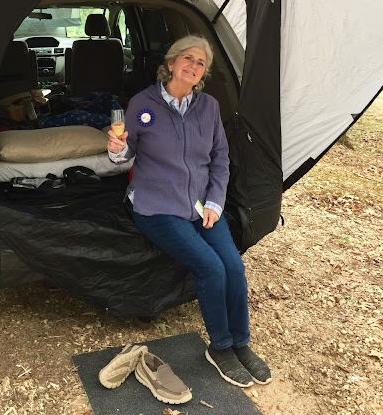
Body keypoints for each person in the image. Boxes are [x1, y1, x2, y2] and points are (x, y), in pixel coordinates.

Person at [107, 35, 271, 388]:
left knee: (233, 266)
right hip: (156, 205)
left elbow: (220, 160)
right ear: (170, 63)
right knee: (210, 267)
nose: (194, 66)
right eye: (188, 58)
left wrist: (214, 202)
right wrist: (116, 149)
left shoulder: (208, 107)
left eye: (201, 63)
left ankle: (242, 343)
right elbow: (125, 156)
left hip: (200, 205)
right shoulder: (142, 103)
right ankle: (222, 348)